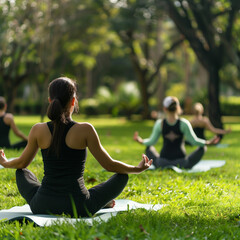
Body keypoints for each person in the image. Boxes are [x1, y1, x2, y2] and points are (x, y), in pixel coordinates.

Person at [0, 77, 152, 218]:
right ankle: (100, 202)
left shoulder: (38, 130)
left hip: (42, 204)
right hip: (79, 206)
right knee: (122, 176)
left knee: (21, 172)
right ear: (73, 101)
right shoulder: (86, 129)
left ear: (49, 100)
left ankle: (93, 200)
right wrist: (137, 169)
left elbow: (21, 164)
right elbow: (110, 165)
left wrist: (5, 162)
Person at [133, 96, 219, 169]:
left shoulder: (160, 123)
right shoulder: (184, 123)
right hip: (182, 163)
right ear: (178, 108)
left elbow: (151, 142)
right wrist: (207, 142)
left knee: (148, 148)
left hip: (162, 163)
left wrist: (141, 141)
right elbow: (194, 141)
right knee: (203, 148)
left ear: (165, 109)